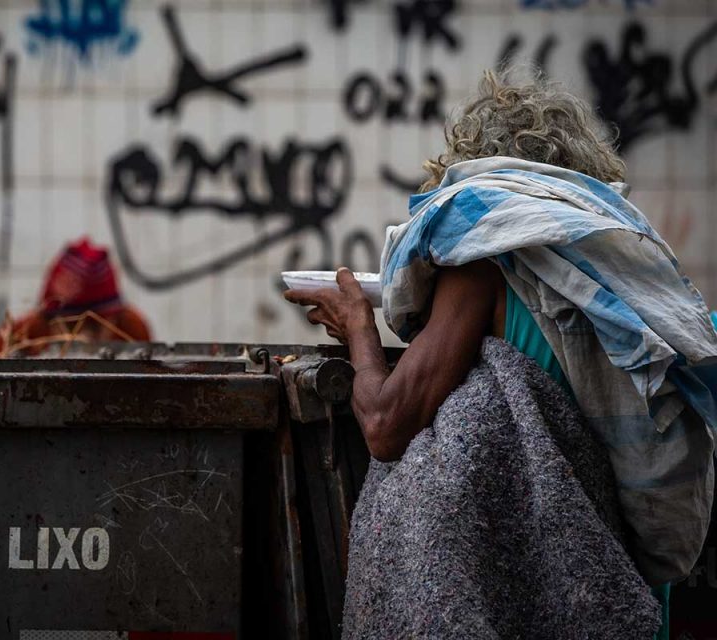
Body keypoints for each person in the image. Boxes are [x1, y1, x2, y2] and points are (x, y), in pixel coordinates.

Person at [285, 70, 717, 639]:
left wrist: (359, 330)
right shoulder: (613, 253)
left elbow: (386, 424)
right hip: (622, 578)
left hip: (548, 578)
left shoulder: (486, 254)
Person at [0, 237, 151, 358]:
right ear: (50, 319)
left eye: (94, 325)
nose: (82, 337)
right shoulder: (29, 330)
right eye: (71, 325)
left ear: (114, 317)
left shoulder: (130, 328)